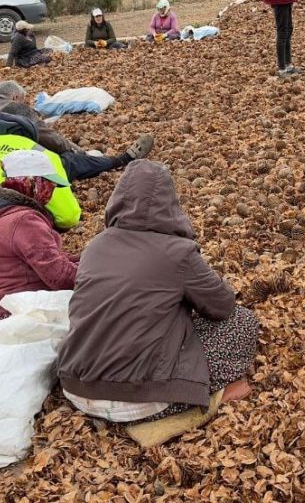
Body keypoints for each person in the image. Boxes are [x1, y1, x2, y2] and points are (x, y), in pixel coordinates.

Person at [57, 160, 259, 424]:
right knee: (243, 323)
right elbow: (223, 306)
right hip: (138, 399)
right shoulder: (178, 252)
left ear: (117, 199)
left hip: (76, 389)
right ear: (170, 204)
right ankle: (208, 400)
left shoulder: (95, 246)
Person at [0, 113, 153, 275]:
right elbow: (69, 216)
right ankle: (120, 160)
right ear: (28, 134)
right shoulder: (36, 152)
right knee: (47, 202)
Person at [0, 150, 80, 329]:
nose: (51, 192)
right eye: (48, 184)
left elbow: (44, 259)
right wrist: (98, 271)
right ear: (32, 182)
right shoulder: (24, 220)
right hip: (12, 316)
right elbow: (60, 278)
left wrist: (83, 258)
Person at [0, 80, 82, 154]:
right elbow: (50, 138)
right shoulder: (14, 106)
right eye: (24, 100)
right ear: (15, 97)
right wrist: (78, 151)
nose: (25, 104)